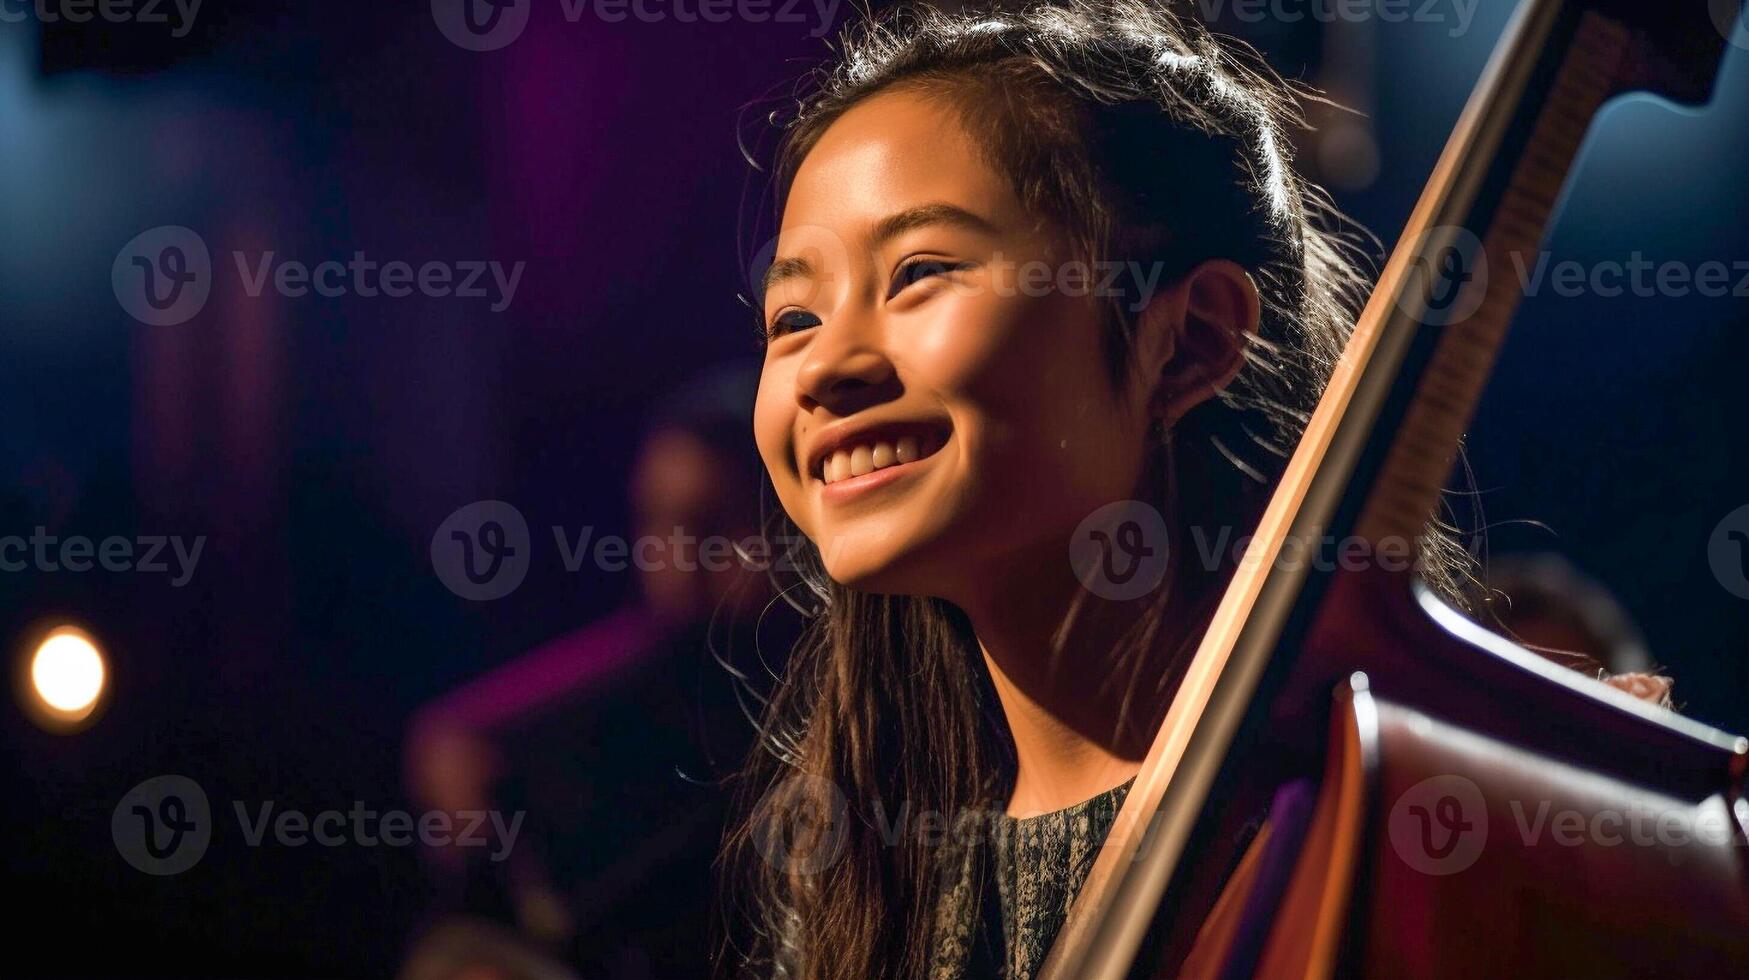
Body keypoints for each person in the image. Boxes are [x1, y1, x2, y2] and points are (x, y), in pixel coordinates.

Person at [716, 3, 1669, 979]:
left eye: (920, 270)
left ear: (1194, 339)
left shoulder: (1466, 829)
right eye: (793, 315)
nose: (825, 365)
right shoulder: (878, 897)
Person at [404, 362, 787, 979]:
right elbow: (451, 740)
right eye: (656, 523)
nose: (675, 564)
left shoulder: (819, 698)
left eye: (713, 527)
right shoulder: (653, 665)